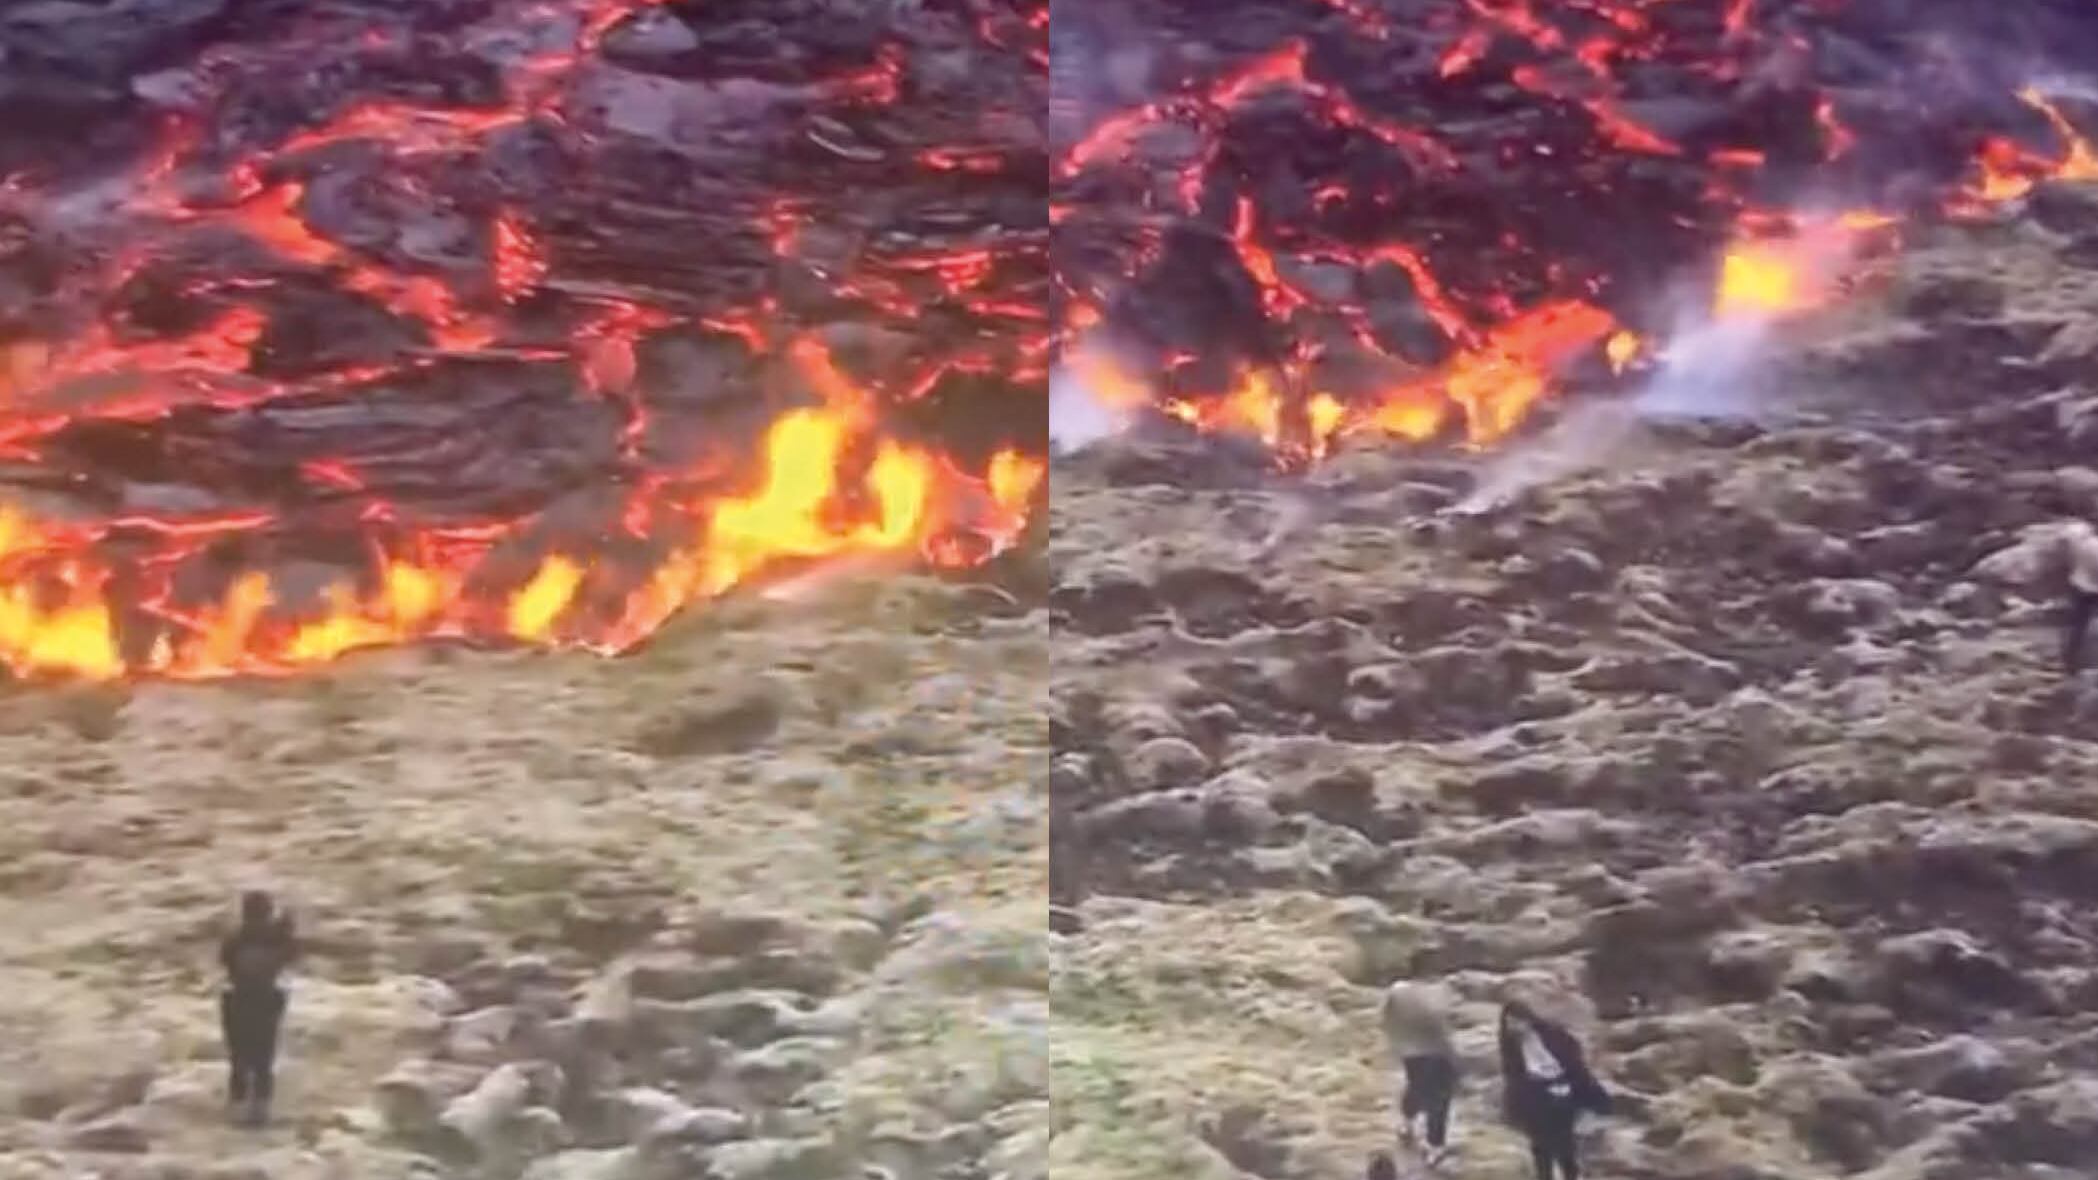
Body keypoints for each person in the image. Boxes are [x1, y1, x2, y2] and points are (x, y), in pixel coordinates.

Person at [1498, 999, 1610, 1180]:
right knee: (1540, 1148)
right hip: (1536, 1097)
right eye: (1509, 1024)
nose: (1514, 1027)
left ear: (1526, 1019)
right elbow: (1513, 1076)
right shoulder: (1511, 1046)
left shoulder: (1551, 1034)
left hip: (1563, 1091)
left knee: (1565, 1145)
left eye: (1516, 1022)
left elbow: (1573, 1058)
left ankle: (1571, 1175)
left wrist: (1572, 1084)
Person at [219, 890, 298, 1127]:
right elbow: (289, 956)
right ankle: (259, 1108)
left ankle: (241, 1105)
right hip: (265, 999)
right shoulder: (274, 940)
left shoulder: (237, 939)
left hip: (238, 999)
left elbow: (226, 960)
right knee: (262, 1058)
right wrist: (285, 932)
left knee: (240, 1057)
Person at [1381, 981, 1459, 1165]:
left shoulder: (1398, 990)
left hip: (1411, 1049)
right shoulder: (1439, 990)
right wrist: (1454, 1055)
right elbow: (1443, 1026)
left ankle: (1409, 1123)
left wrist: (1395, 1044)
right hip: (1435, 1050)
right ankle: (1435, 1144)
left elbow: (1387, 1019)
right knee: (1439, 1098)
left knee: (1417, 1086)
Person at [2061, 521, 2098, 674]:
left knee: (2077, 626)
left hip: (2079, 584)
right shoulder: (2093, 547)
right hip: (2090, 587)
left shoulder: (2082, 538)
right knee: (2081, 627)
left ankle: (2070, 661)